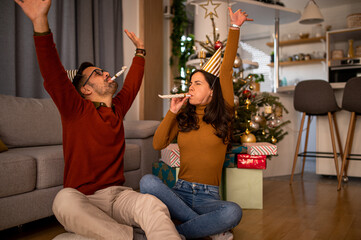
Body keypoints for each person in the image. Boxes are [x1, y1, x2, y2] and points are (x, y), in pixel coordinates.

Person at [14, 0, 182, 239]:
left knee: (153, 205)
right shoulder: (76, 109)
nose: (106, 72)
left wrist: (140, 51)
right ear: (84, 89)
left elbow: (133, 83)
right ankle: (133, 237)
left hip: (119, 196)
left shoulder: (117, 109)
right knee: (63, 200)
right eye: (97, 73)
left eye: (103, 70)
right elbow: (53, 73)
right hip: (85, 201)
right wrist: (40, 22)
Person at [140, 7, 253, 240]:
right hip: (179, 191)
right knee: (147, 182)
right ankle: (206, 229)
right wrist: (171, 112)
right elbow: (157, 144)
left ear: (212, 92)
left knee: (233, 211)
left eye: (198, 83)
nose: (191, 86)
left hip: (208, 197)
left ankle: (176, 233)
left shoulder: (224, 115)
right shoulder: (183, 117)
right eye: (190, 82)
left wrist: (234, 28)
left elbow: (226, 70)